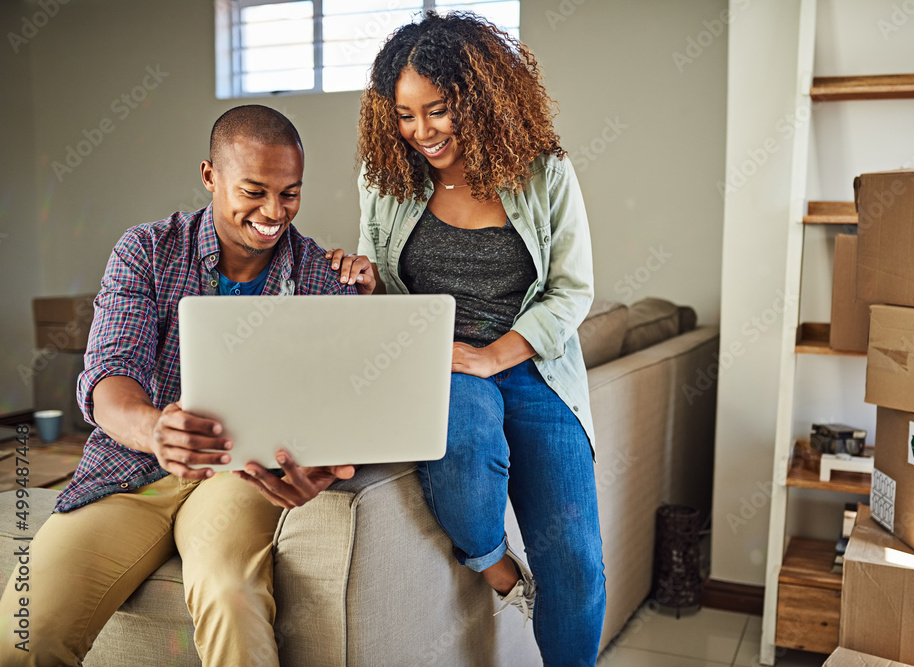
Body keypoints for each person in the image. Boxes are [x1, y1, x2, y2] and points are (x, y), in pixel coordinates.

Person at [0, 105, 356, 666]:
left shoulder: (319, 277)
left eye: (290, 193)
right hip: (131, 472)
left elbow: (337, 403)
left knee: (231, 595)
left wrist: (317, 462)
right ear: (210, 177)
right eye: (254, 190)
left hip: (240, 476)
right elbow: (109, 372)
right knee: (28, 631)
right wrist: (154, 429)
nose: (273, 212)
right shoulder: (146, 250)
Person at [330, 12, 607, 665]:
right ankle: (495, 567)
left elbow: (572, 289)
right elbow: (388, 292)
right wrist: (365, 282)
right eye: (404, 114)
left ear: (480, 98)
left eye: (438, 109)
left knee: (575, 558)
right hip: (436, 364)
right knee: (465, 435)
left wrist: (493, 355)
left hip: (531, 363)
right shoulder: (386, 180)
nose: (421, 131)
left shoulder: (543, 173)